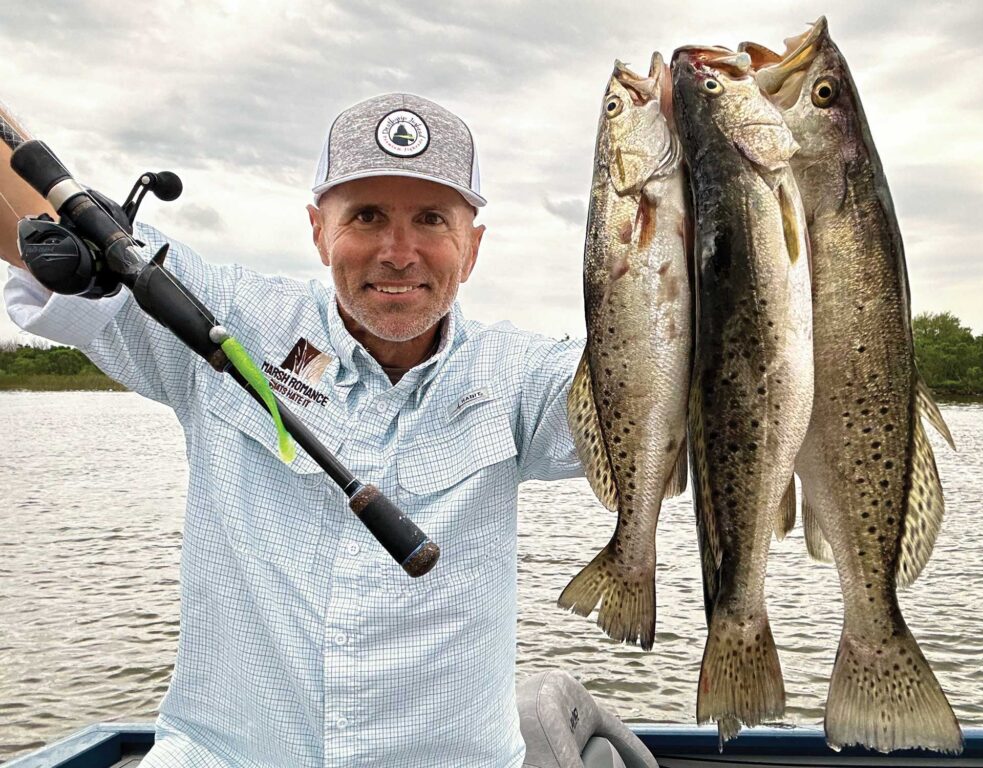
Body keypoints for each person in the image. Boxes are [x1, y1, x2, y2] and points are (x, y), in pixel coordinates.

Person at [2, 93, 585, 767]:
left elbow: (690, 385)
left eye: (431, 219)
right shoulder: (222, 313)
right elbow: (30, 216)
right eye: (366, 216)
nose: (399, 253)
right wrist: (71, 242)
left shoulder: (524, 375)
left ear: (473, 244)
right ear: (317, 228)